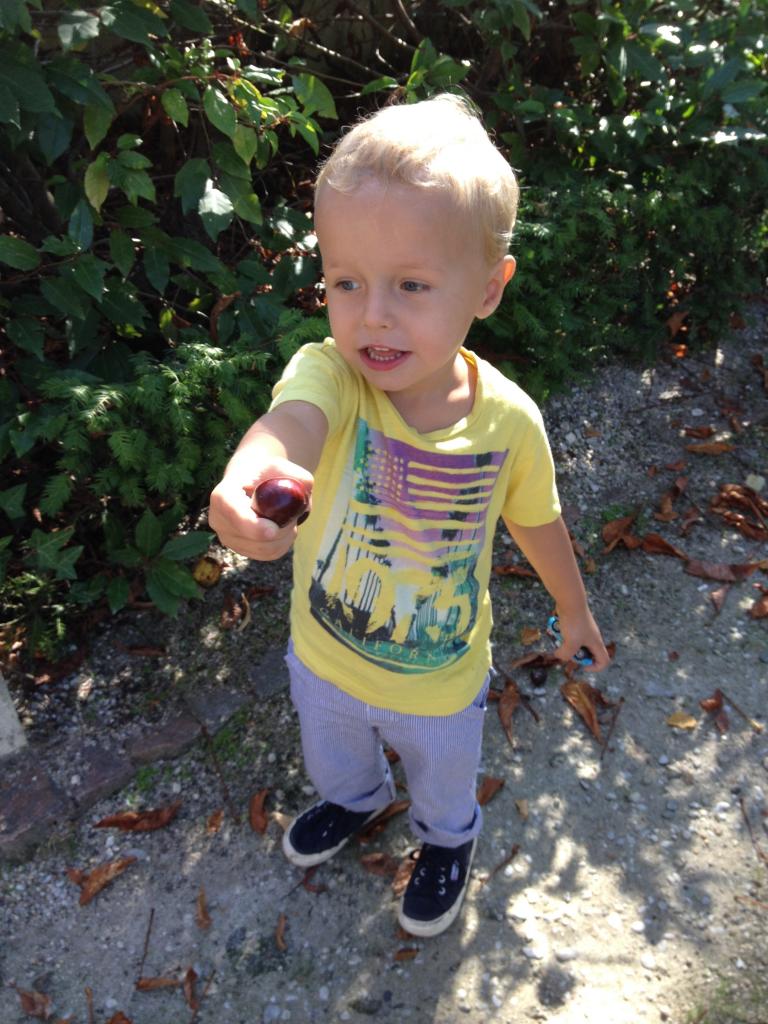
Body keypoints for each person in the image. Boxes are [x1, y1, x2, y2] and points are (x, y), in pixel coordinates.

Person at [208, 93, 610, 938]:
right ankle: (356, 799)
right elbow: (289, 426)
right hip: (325, 655)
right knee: (334, 757)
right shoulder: (332, 374)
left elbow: (536, 522)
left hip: (441, 679)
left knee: (444, 782)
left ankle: (447, 839)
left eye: (412, 285)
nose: (373, 315)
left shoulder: (509, 423)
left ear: (489, 288)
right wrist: (248, 478)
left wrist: (572, 610)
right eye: (346, 282)